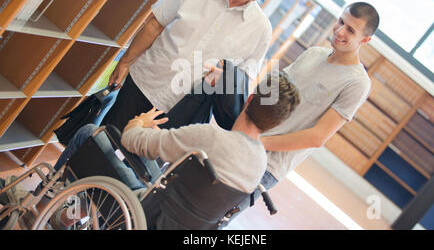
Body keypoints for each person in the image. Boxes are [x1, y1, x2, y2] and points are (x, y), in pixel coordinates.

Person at [47, 72, 299, 229]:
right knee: (143, 167)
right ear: (276, 123)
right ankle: (65, 217)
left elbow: (131, 141)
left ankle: (45, 205)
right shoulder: (257, 168)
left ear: (249, 98)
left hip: (143, 213)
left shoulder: (209, 137)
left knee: (90, 133)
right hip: (169, 217)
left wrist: (139, 123)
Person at [100, 0, 277, 132]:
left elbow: (243, 80)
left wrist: (223, 79)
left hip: (180, 113)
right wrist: (125, 62)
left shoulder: (261, 29)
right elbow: (155, 24)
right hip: (144, 83)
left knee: (139, 162)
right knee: (101, 143)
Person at [258, 2, 380, 191]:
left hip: (267, 167)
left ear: (364, 41)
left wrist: (260, 143)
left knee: (210, 215)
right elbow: (272, 94)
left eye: (350, 30)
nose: (339, 31)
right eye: (340, 22)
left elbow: (317, 137)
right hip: (248, 142)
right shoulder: (313, 53)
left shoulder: (357, 83)